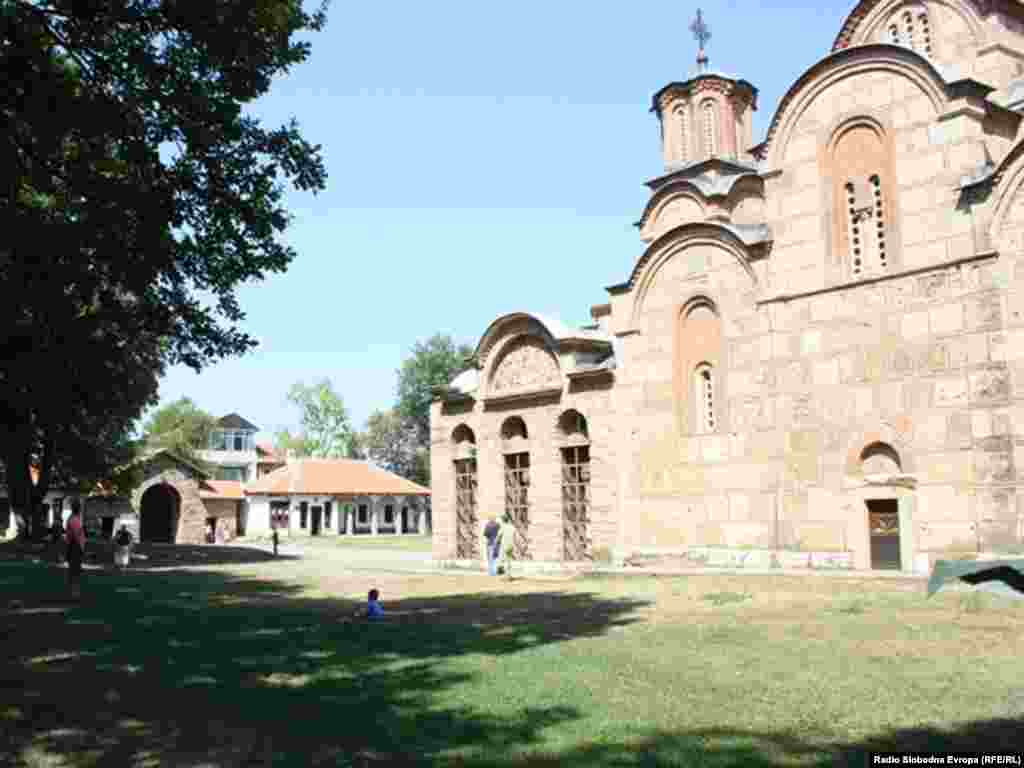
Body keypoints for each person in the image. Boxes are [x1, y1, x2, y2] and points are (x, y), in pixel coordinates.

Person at [65, 508, 85, 599]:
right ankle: (74, 593)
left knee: (74, 571)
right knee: (75, 571)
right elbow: (76, 535)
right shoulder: (75, 520)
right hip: (75, 546)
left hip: (73, 546)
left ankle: (73, 592)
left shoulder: (72, 518)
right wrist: (80, 547)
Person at [497, 514, 516, 580]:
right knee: (508, 560)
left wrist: (497, 542)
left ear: (503, 520)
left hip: (504, 545)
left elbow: (499, 536)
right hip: (510, 545)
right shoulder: (512, 527)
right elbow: (514, 537)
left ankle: (502, 572)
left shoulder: (503, 527)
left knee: (500, 560)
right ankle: (509, 575)